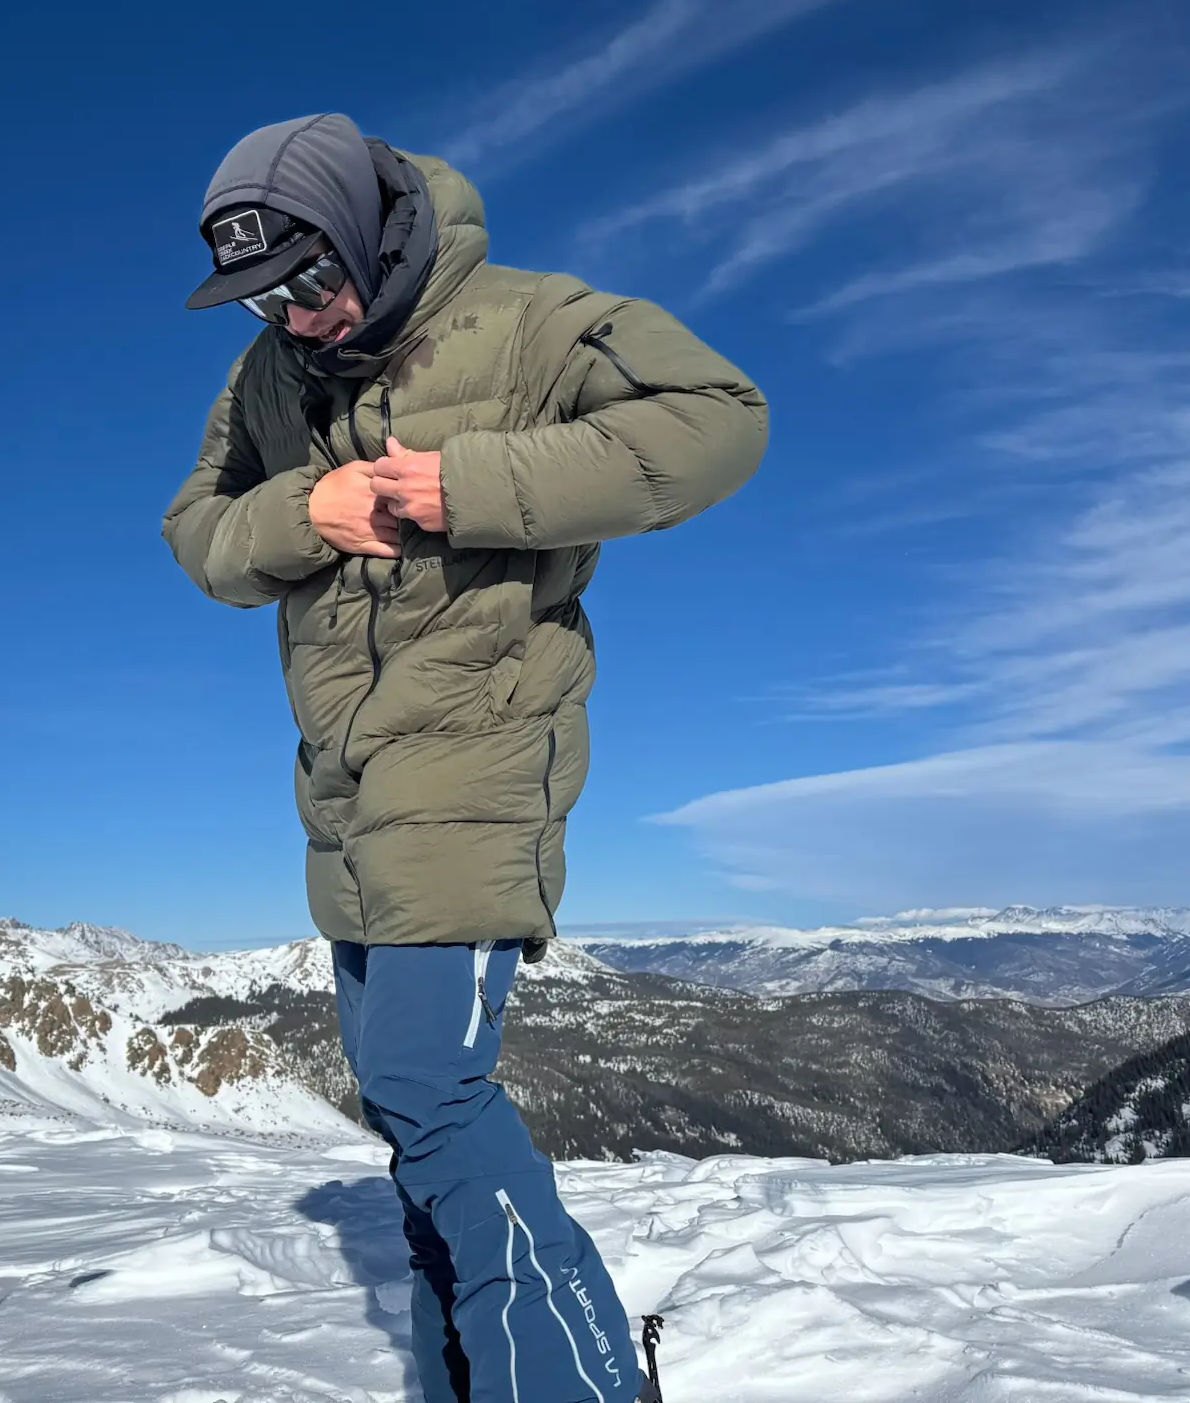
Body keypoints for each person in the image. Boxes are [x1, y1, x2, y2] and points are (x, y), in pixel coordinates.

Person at [163, 113, 767, 1403]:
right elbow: (197, 534)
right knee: (407, 1115)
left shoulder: (538, 321)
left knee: (425, 1084)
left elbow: (723, 418)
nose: (292, 316)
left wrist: (478, 483)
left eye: (309, 281)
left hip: (480, 762)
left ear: (373, 237)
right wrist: (299, 512)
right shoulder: (269, 378)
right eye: (259, 297)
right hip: (341, 792)